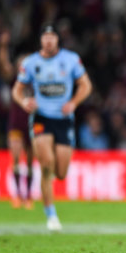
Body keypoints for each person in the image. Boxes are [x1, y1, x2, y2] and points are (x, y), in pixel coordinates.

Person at [12, 25, 92, 231]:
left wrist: (73, 103)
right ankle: (51, 215)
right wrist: (23, 102)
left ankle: (49, 200)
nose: (48, 40)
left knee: (61, 172)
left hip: (63, 119)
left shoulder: (71, 59)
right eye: (45, 36)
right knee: (46, 163)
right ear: (41, 40)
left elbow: (86, 85)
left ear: (57, 39)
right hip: (41, 118)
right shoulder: (30, 63)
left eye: (52, 36)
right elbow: (17, 90)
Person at [0, 31, 35, 209]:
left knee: (29, 161)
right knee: (15, 158)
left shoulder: (36, 82)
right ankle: (18, 195)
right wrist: (3, 46)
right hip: (16, 124)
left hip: (33, 125)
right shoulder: (15, 80)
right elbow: (3, 65)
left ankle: (28, 196)